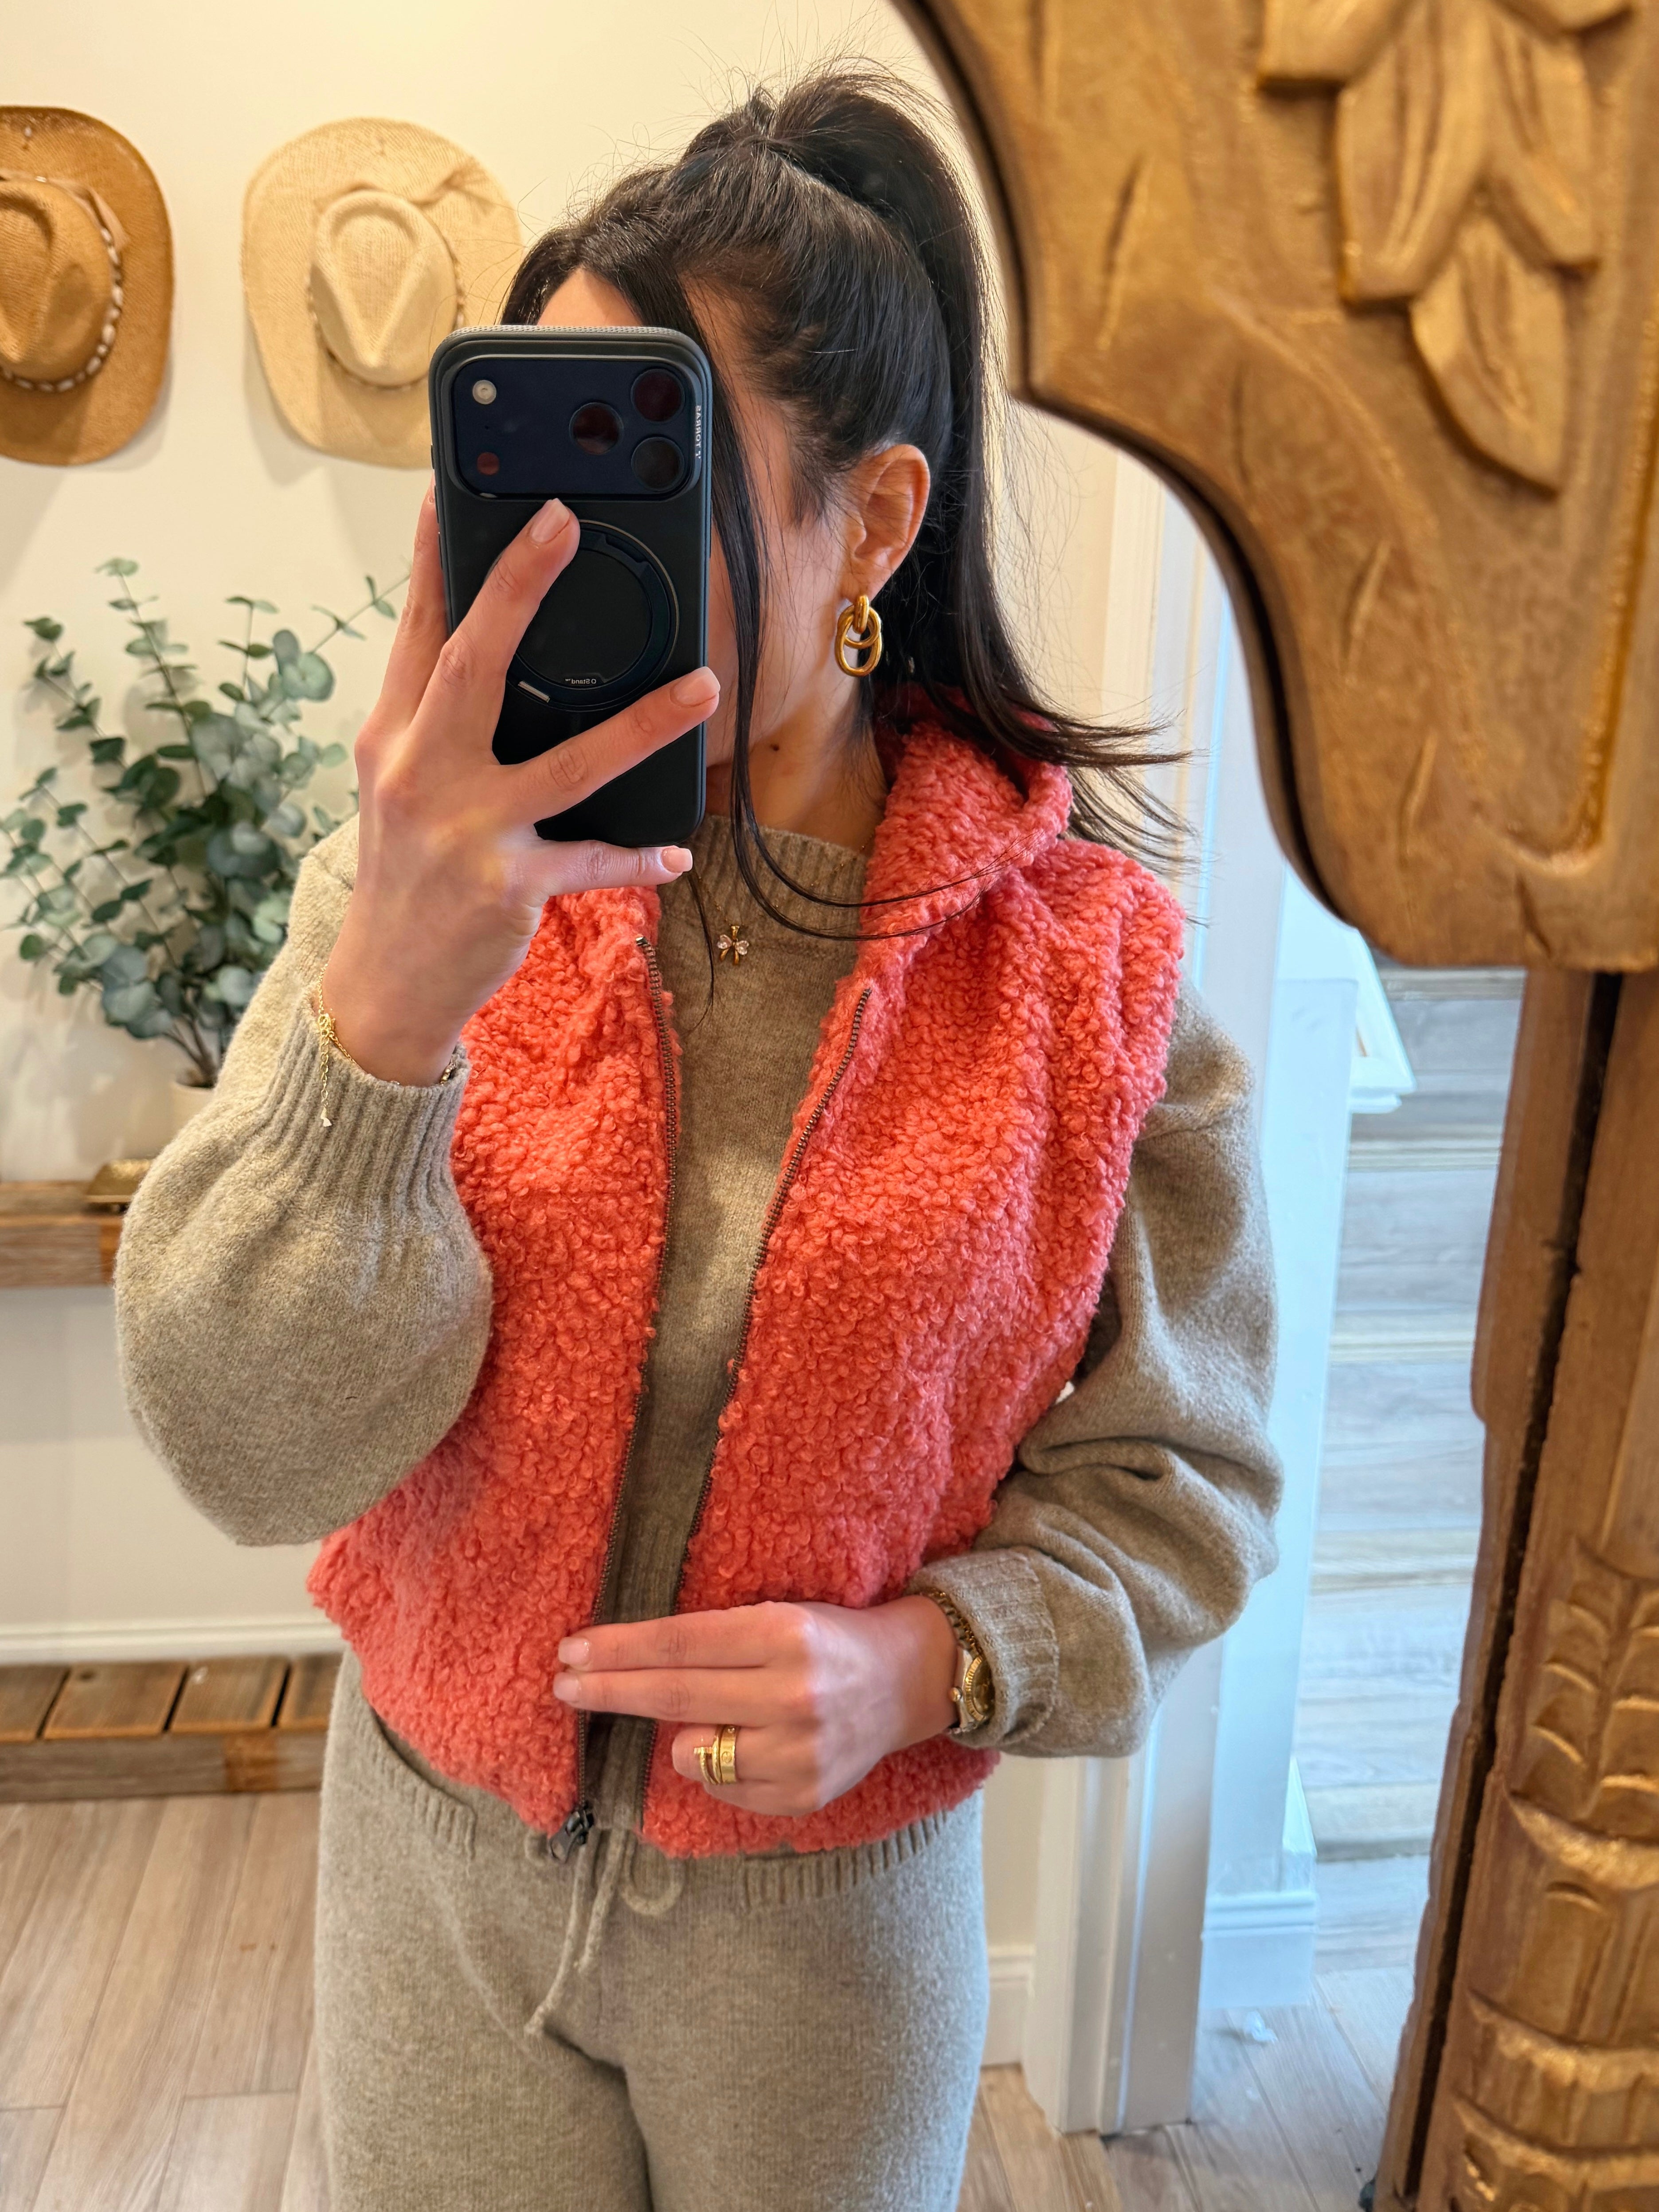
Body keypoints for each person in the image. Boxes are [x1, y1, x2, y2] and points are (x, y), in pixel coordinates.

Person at [115, 67, 1280, 2212]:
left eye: (643, 465)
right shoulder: (417, 897)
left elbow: (1185, 1488)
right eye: (525, 468)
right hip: (434, 1893)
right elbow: (248, 1451)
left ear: (880, 521)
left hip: (822, 1947)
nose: (560, 557)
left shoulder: (1095, 993)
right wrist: (389, 1009)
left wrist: (935, 1660)